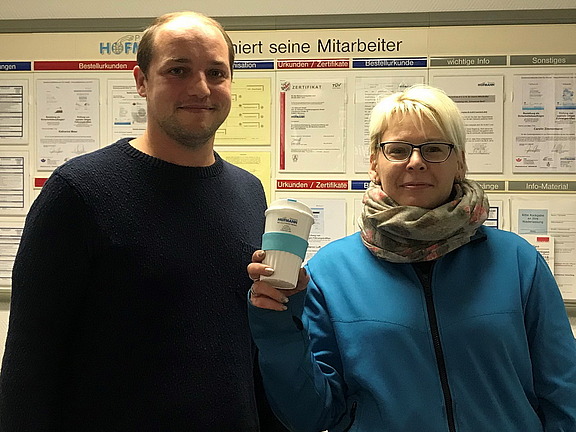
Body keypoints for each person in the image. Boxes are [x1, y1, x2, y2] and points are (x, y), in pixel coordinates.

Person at [0, 11, 286, 431]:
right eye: (178, 70)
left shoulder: (249, 192)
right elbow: (28, 370)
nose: (200, 88)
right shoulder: (79, 192)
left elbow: (250, 349)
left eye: (216, 73)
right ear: (141, 81)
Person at [248, 85, 576, 431]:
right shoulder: (329, 274)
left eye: (434, 149)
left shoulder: (518, 263)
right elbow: (311, 415)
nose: (416, 161)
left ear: (460, 162)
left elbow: (564, 393)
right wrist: (279, 324)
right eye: (398, 150)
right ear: (374, 163)